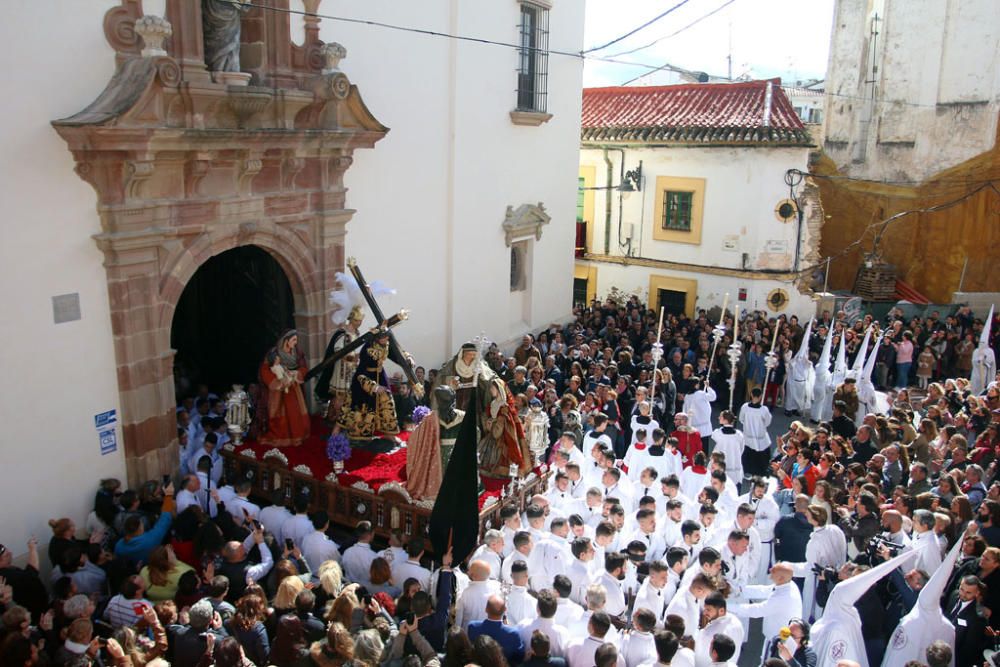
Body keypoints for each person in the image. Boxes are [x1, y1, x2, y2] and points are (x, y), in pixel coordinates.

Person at [338, 329, 400, 440]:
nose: (387, 339)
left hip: (381, 376)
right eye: (384, 337)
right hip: (365, 380)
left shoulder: (385, 345)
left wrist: (408, 358)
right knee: (363, 407)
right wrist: (373, 387)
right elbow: (361, 372)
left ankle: (389, 434)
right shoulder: (366, 349)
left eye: (387, 337)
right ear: (377, 338)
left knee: (387, 402)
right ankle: (360, 434)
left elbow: (396, 354)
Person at [258, 329, 311, 447]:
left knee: (295, 413)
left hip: (293, 388)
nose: (295, 343)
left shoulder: (297, 352)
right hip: (278, 391)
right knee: (279, 416)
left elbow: (304, 368)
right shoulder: (274, 353)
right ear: (286, 340)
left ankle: (297, 437)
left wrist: (296, 373)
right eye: (293, 340)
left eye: (296, 340)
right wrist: (278, 382)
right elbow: (265, 369)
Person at [467, 595, 525, 664]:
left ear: (486, 609)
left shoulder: (473, 627)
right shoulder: (513, 634)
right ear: (505, 610)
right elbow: (520, 656)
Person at [340, 521, 377, 586]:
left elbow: (342, 567)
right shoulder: (373, 557)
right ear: (371, 534)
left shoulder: (347, 552)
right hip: (363, 590)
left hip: (348, 587)